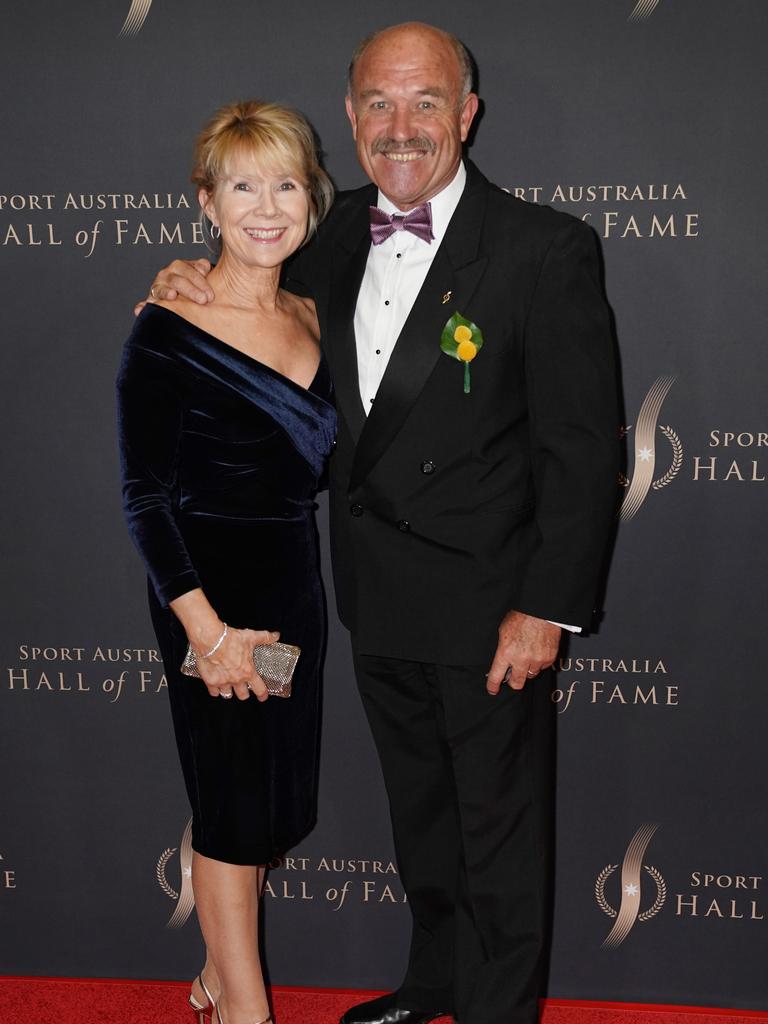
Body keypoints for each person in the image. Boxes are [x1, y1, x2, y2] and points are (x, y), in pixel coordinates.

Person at [144, 22, 620, 1024]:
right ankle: (437, 980)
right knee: (426, 823)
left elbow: (581, 451)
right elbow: (246, 290)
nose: (401, 127)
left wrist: (546, 605)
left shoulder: (545, 248)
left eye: (426, 102)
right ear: (352, 117)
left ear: (468, 114)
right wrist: (179, 278)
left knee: (499, 835)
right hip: (369, 595)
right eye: (377, 104)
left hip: (495, 606)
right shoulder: (323, 233)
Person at [117, 100, 335, 1024]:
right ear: (206, 202)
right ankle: (246, 1007)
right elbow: (145, 497)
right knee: (231, 809)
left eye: (285, 182)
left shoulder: (316, 308)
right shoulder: (167, 324)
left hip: (294, 590)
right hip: (211, 601)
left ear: (312, 199)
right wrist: (205, 634)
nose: (266, 205)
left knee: (271, 809)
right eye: (243, 184)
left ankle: (212, 975)